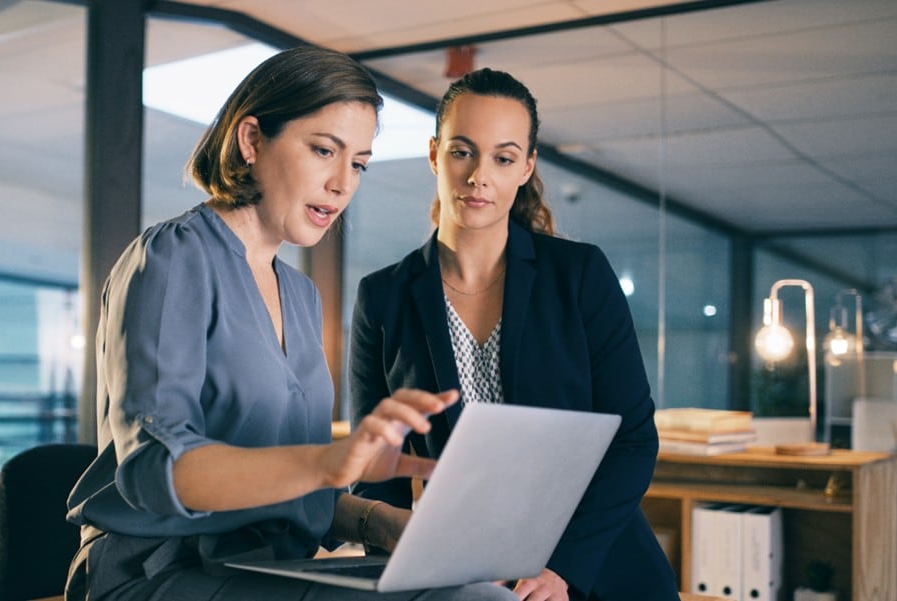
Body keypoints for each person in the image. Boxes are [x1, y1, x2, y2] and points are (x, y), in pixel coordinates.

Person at [64, 46, 518, 601]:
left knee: (481, 591)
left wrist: (390, 525)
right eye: (324, 150)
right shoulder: (172, 258)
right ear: (251, 140)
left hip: (269, 569)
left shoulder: (301, 295)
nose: (342, 183)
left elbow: (293, 490)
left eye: (357, 164)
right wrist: (327, 462)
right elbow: (155, 470)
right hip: (158, 574)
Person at [348, 68, 679, 601]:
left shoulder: (579, 276)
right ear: (434, 154)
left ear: (526, 167)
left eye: (503, 158)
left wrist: (563, 569)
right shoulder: (383, 297)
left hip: (595, 570)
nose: (480, 175)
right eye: (462, 151)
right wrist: (397, 581)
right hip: (460, 575)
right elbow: (376, 472)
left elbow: (634, 439)